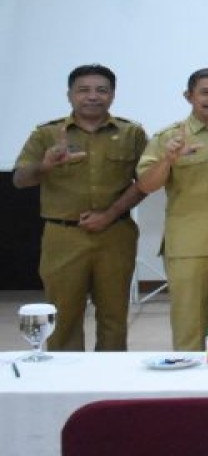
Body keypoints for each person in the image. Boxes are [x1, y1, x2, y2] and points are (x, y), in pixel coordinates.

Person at [13, 64, 148, 351]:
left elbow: (144, 183)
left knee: (114, 315)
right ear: (70, 95)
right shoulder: (47, 134)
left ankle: (110, 381)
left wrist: (109, 215)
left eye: (101, 90)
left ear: (112, 95)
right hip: (63, 237)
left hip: (116, 234)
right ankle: (66, 382)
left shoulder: (131, 133)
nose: (92, 97)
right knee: (62, 316)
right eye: (83, 90)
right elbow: (20, 179)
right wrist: (45, 165)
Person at [136, 68, 208, 352]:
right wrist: (168, 160)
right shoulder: (169, 137)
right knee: (190, 326)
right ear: (189, 96)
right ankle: (190, 388)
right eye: (205, 92)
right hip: (189, 245)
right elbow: (146, 184)